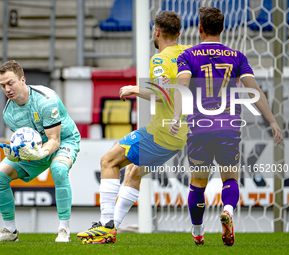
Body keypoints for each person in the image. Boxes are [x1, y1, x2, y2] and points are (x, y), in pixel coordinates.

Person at [169, 7, 283, 246]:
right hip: (228, 127)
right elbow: (254, 91)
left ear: (200, 28)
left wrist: (176, 116)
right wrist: (273, 121)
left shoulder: (188, 56)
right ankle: (228, 211)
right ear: (222, 29)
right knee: (230, 177)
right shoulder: (237, 56)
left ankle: (198, 232)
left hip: (199, 127)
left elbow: (181, 86)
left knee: (198, 182)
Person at [77, 11, 190, 244]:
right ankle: (112, 229)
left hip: (160, 132)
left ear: (156, 32)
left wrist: (134, 89)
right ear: (179, 33)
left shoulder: (160, 59)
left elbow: (163, 95)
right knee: (133, 171)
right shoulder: (187, 53)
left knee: (108, 161)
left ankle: (105, 223)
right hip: (180, 135)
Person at [0, 60, 80, 242]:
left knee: (58, 169)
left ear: (23, 80)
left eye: (10, 83)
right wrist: (16, 153)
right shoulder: (8, 114)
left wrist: (41, 153)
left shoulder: (46, 100)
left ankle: (63, 230)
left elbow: (54, 139)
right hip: (38, 149)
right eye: (3, 85)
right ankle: (10, 231)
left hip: (64, 140)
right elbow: (28, 141)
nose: (7, 89)